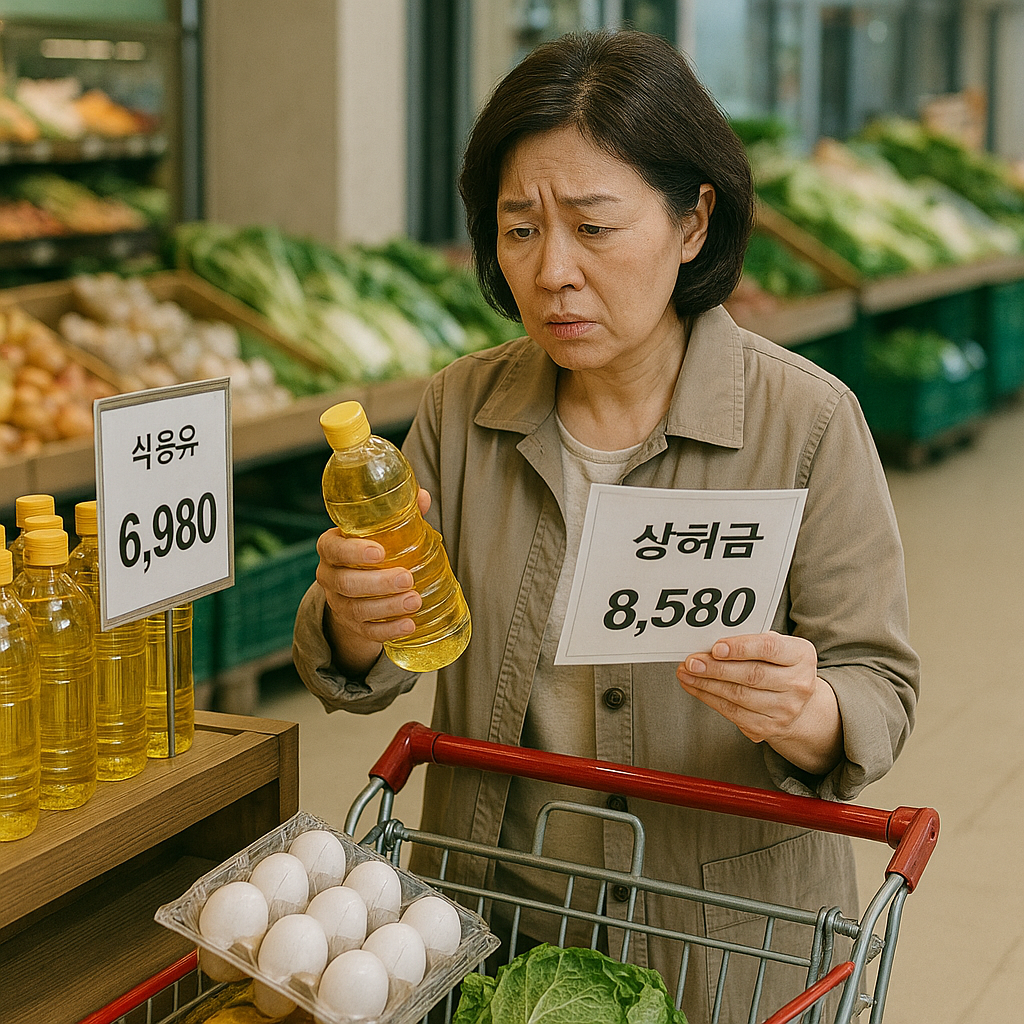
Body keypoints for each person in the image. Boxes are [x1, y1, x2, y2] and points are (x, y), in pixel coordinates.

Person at [293, 30, 919, 1023]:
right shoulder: (462, 409)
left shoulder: (806, 422)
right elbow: (376, 658)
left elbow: (875, 687)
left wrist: (805, 709)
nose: (553, 274)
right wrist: (356, 616)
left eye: (593, 226)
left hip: (717, 939)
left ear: (692, 220)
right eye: (520, 230)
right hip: (500, 923)